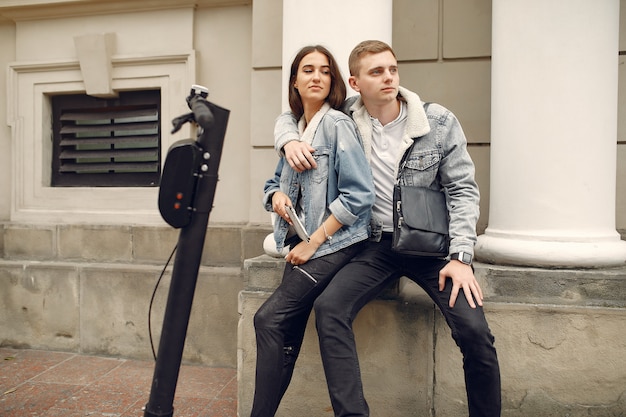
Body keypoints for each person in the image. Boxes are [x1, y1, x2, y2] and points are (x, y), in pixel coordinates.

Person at [274, 40, 501, 417]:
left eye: (392, 69)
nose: (388, 77)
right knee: (330, 309)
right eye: (377, 72)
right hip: (374, 245)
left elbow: (462, 190)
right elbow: (293, 115)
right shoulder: (344, 118)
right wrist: (288, 140)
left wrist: (461, 256)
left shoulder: (438, 122)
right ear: (355, 82)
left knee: (476, 332)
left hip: (434, 249)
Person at [250, 45, 376, 417]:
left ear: (334, 81)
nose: (317, 76)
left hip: (335, 245)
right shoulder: (296, 130)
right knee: (284, 338)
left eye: (325, 71)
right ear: (295, 80)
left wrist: (313, 241)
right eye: (308, 70)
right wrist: (276, 197)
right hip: (303, 244)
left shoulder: (336, 125)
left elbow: (359, 196)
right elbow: (272, 184)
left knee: (268, 319)